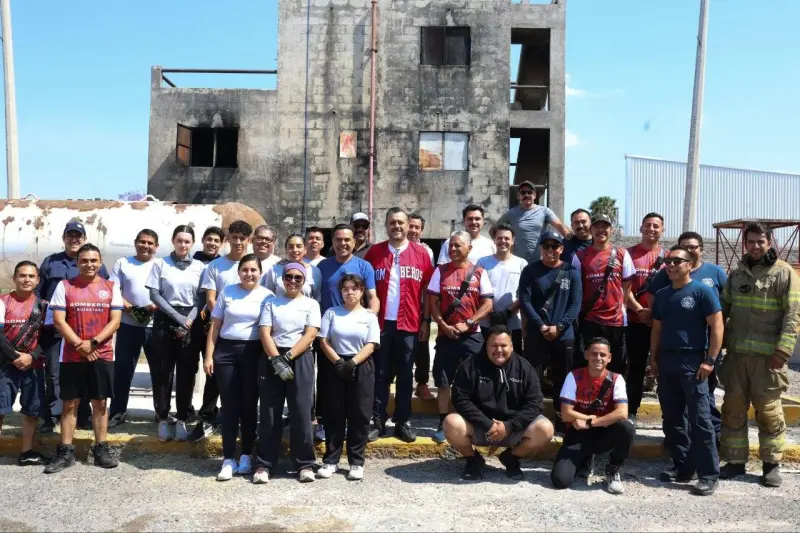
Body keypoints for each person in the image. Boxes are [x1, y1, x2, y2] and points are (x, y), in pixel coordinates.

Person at [718, 223, 800, 488]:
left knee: (769, 412)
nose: (755, 246)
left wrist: (783, 350)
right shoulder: (736, 274)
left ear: (769, 242)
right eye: (750, 241)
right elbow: (721, 310)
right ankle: (735, 460)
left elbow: (793, 314)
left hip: (768, 359)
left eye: (760, 242)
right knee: (732, 410)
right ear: (745, 243)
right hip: (737, 357)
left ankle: (771, 465)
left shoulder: (784, 273)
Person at [651, 246, 723, 496]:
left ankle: (709, 474)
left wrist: (710, 360)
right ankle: (683, 466)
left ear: (690, 265)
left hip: (694, 362)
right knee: (672, 419)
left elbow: (717, 326)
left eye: (677, 261)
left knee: (700, 419)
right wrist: (654, 357)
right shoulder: (662, 295)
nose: (671, 265)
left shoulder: (702, 291)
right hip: (667, 361)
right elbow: (657, 329)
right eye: (668, 261)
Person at [45, 244, 123, 474]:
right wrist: (81, 345)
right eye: (84, 260)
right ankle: (65, 452)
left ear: (100, 263)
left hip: (103, 353)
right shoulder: (65, 286)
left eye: (93, 260)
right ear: (77, 262)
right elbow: (59, 320)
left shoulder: (111, 287)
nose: (89, 264)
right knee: (70, 404)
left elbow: (115, 321)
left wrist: (93, 343)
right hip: (71, 355)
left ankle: (101, 448)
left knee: (100, 403)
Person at [445, 325, 554, 481]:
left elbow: (535, 403)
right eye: (494, 345)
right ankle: (473, 459)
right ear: (486, 346)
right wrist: (487, 424)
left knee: (546, 429)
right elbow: (460, 399)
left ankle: (511, 457)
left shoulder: (524, 368)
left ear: (512, 346)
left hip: (513, 428)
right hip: (480, 426)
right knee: (451, 423)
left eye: (503, 345)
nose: (499, 350)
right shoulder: (470, 365)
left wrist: (509, 425)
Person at [647, 231, 727, 438]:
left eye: (693, 247)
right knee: (674, 408)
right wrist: (654, 355)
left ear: (700, 249)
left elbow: (721, 316)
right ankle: (681, 450)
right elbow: (656, 315)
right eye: (684, 246)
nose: (689, 250)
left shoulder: (713, 274)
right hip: (671, 354)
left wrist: (711, 358)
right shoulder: (667, 276)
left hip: (701, 353)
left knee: (703, 404)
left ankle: (712, 444)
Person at [365, 208, 434, 443]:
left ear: (408, 225)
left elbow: (428, 291)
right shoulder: (374, 253)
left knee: (405, 374)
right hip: (381, 324)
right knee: (380, 374)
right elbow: (365, 289)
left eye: (401, 222)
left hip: (410, 323)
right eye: (392, 222)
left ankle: (403, 421)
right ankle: (377, 420)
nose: (397, 226)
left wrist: (426, 320)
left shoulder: (421, 254)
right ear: (386, 225)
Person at [204, 254, 274, 481]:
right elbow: (215, 326)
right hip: (226, 352)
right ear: (239, 272)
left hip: (254, 353)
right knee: (229, 405)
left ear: (260, 273)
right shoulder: (228, 292)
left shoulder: (268, 296)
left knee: (249, 405)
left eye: (253, 270)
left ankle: (245, 455)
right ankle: (228, 459)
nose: (249, 274)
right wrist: (209, 356)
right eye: (245, 270)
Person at [36, 221, 110, 433]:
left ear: (84, 239)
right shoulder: (51, 262)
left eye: (78, 236)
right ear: (64, 238)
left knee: (83, 371)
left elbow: (105, 292)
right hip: (55, 329)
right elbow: (38, 292)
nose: (74, 239)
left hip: (85, 330)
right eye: (70, 235)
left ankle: (83, 415)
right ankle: (52, 415)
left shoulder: (95, 263)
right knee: (53, 374)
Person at [255, 262, 319, 484]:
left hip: (299, 357)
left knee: (301, 411)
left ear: (304, 281)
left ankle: (304, 464)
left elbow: (310, 334)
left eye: (297, 278)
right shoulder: (271, 302)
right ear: (282, 279)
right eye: (288, 277)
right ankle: (264, 464)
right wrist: (276, 359)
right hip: (273, 356)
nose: (292, 281)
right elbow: (265, 332)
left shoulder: (311, 304)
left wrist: (288, 358)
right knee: (270, 412)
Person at [188, 221, 252, 442]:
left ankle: (238, 418)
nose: (238, 242)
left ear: (248, 240)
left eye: (242, 238)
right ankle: (207, 417)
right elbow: (211, 298)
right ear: (228, 239)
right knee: (214, 373)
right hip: (220, 327)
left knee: (244, 378)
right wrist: (223, 320)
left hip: (248, 333)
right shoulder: (215, 266)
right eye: (234, 237)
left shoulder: (253, 265)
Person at [428, 231, 493, 443]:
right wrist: (443, 326)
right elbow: (433, 303)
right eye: (451, 246)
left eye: (458, 245)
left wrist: (469, 323)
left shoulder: (479, 272)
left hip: (472, 336)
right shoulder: (440, 271)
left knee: (473, 380)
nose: (453, 249)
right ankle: (443, 421)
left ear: (469, 248)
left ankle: (471, 420)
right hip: (446, 335)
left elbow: (488, 304)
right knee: (443, 381)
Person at [316, 224, 379, 442]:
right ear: (332, 242)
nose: (342, 243)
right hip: (329, 335)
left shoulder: (364, 266)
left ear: (354, 242)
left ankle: (358, 426)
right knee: (326, 383)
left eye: (347, 240)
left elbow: (372, 297)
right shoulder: (322, 266)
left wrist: (370, 318)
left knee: (358, 387)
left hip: (355, 336)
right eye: (338, 239)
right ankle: (324, 422)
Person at [316, 274, 380, 481]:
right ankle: (331, 460)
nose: (350, 292)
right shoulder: (331, 313)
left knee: (359, 415)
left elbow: (371, 344)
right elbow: (323, 341)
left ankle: (356, 462)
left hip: (361, 365)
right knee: (334, 413)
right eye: (345, 288)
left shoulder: (370, 316)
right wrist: (338, 362)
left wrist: (352, 363)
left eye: (354, 288)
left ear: (362, 291)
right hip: (335, 364)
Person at [146, 225, 207, 442]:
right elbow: (154, 294)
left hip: (191, 320)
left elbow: (202, 297)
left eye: (187, 241)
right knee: (163, 371)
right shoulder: (160, 263)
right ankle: (163, 418)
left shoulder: (200, 267)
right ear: (173, 241)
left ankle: (182, 418)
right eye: (179, 240)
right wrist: (177, 317)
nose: (183, 245)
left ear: (192, 243)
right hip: (165, 317)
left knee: (186, 372)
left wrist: (188, 320)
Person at [550, 337, 634, 495]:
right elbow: (566, 414)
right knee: (560, 481)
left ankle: (613, 469)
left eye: (603, 354)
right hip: (578, 434)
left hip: (603, 433)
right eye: (594, 353)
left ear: (609, 358)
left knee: (627, 428)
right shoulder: (574, 376)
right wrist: (593, 421)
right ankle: (585, 460)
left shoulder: (617, 379)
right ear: (586, 354)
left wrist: (590, 422)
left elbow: (622, 413)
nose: (598, 358)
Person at [519, 231, 582, 433]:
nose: (550, 250)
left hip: (563, 335)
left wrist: (560, 326)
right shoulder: (530, 270)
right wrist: (540, 325)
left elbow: (575, 304)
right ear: (540, 248)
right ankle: (534, 416)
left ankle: (561, 417)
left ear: (561, 248)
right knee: (533, 376)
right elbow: (525, 300)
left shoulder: (572, 271)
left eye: (555, 246)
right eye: (546, 246)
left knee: (562, 378)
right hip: (537, 333)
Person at [107, 229, 159, 428]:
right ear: (135, 243)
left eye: (150, 243)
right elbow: (113, 290)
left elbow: (166, 292)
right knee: (123, 370)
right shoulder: (123, 263)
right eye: (142, 242)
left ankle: (161, 413)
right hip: (128, 324)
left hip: (155, 326)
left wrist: (151, 308)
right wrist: (132, 310)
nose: (146, 246)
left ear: (156, 247)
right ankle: (118, 411)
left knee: (159, 371)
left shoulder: (160, 265)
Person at [571, 214, 635, 374]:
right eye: (597, 226)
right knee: (587, 364)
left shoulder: (622, 254)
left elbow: (627, 285)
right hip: (589, 320)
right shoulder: (580, 256)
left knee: (616, 365)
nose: (601, 230)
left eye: (605, 226)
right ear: (590, 230)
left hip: (616, 322)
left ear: (611, 230)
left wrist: (620, 307)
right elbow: (576, 288)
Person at [0, 261, 49, 466]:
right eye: (22, 275)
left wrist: (32, 356)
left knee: (32, 410)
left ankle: (27, 451)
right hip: (5, 365)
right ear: (14, 278)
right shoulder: (3, 301)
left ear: (38, 280)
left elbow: (50, 337)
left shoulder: (44, 306)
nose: (26, 279)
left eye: (31, 276)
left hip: (33, 366)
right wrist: (15, 357)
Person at [624, 213, 666, 422]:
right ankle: (631, 412)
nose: (651, 229)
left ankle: (670, 415)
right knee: (635, 369)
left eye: (656, 226)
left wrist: (654, 314)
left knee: (664, 369)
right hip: (635, 321)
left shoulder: (669, 257)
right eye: (648, 225)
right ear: (641, 228)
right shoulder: (628, 254)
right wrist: (641, 310)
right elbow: (624, 288)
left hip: (660, 323)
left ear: (662, 230)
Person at [185, 226, 224, 440]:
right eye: (209, 239)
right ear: (202, 240)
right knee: (189, 367)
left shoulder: (223, 264)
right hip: (193, 323)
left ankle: (208, 411)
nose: (212, 243)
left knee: (213, 369)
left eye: (217, 240)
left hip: (216, 323)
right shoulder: (192, 262)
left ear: (222, 243)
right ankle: (186, 408)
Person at [476, 223, 528, 355]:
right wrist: (489, 312)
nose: (503, 241)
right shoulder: (483, 262)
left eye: (506, 238)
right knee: (487, 357)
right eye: (499, 238)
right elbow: (476, 290)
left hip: (513, 322)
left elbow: (525, 294)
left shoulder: (522, 263)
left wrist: (507, 312)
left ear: (513, 240)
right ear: (494, 240)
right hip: (487, 321)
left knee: (512, 358)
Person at [497, 180, 571, 263]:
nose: (526, 195)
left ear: (534, 195)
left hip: (540, 262)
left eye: (529, 192)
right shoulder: (511, 213)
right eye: (523, 193)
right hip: (518, 262)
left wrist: (571, 240)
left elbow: (559, 225)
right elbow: (494, 229)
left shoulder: (544, 211)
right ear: (519, 196)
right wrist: (500, 245)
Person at [408, 212, 435, 400]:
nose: (413, 230)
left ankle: (422, 383)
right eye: (411, 226)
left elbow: (428, 283)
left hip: (419, 306)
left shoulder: (427, 251)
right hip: (401, 307)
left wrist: (427, 315)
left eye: (417, 227)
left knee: (422, 345)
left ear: (422, 231)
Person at [263, 233, 322, 300]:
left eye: (299, 246)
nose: (294, 250)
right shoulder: (274, 270)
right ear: (286, 250)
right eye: (291, 247)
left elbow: (317, 298)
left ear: (305, 249)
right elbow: (268, 295)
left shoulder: (314, 271)